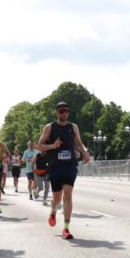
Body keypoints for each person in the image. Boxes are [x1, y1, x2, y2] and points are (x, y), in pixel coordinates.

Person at [37, 101, 91, 240]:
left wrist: (84, 152)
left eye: (66, 111)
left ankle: (66, 228)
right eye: (61, 111)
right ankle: (53, 211)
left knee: (68, 194)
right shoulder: (49, 127)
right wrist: (53, 146)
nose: (64, 113)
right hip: (55, 166)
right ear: (57, 112)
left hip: (70, 165)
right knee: (56, 198)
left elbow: (79, 143)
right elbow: (40, 146)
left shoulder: (73, 127)